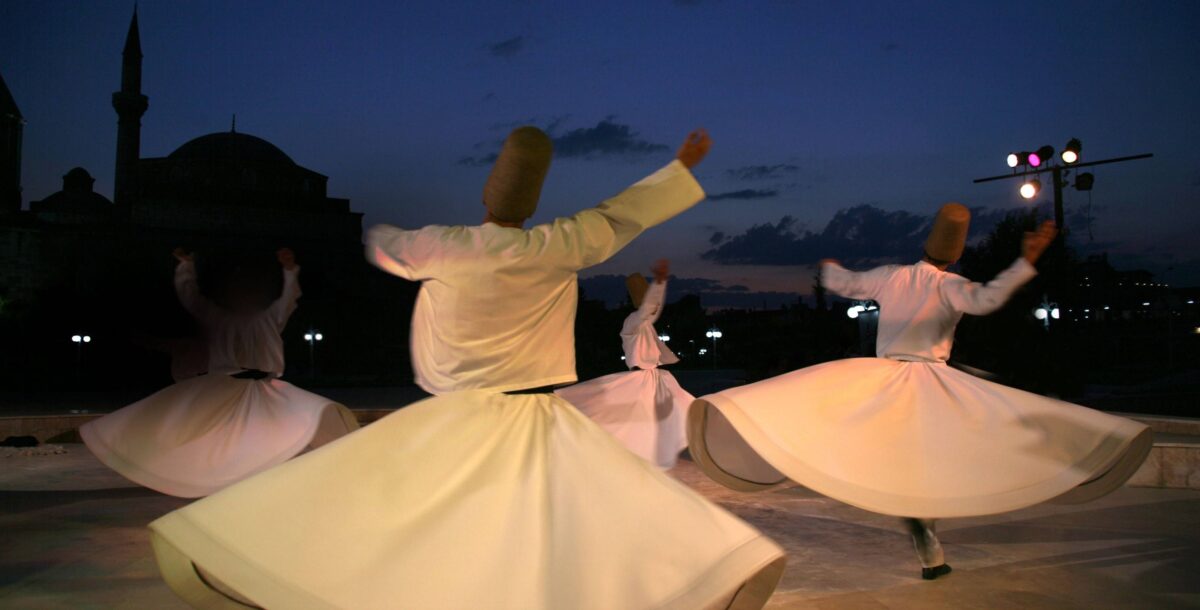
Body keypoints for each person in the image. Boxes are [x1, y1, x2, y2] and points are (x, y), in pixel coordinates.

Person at [148, 127, 786, 609]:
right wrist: (678, 170)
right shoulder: (556, 244)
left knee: (421, 519)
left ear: (486, 196)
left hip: (459, 414)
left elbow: (382, 243)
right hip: (534, 417)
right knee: (559, 523)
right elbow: (622, 215)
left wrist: (357, 239)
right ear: (530, 205)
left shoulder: (443, 247)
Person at [687, 203, 1152, 579]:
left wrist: (829, 270)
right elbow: (988, 300)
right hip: (928, 382)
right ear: (955, 254)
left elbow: (848, 283)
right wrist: (1026, 261)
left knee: (841, 424)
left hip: (885, 378)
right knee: (933, 460)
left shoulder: (893, 275)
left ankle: (920, 541)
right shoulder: (951, 286)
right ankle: (930, 548)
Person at [80, 247, 358, 498]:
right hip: (228, 387)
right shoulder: (219, 317)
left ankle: (319, 470)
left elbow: (289, 298)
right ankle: (218, 478)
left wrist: (289, 270)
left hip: (265, 387)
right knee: (210, 433)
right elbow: (191, 298)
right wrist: (186, 267)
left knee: (306, 418)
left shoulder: (269, 316)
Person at [556, 259, 694, 468]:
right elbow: (649, 308)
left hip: (656, 378)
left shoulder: (646, 322)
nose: (654, 308)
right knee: (626, 419)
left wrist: (661, 282)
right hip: (640, 380)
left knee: (683, 407)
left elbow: (655, 308)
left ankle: (684, 439)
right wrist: (658, 282)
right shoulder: (632, 322)